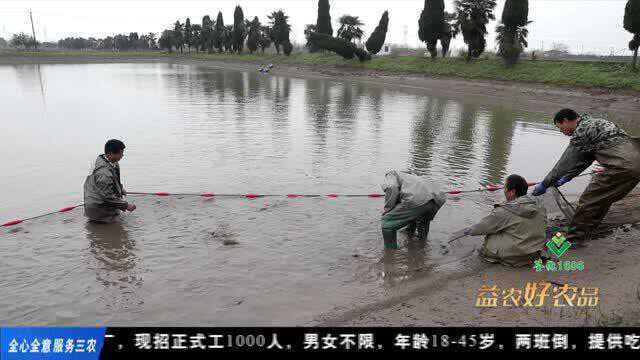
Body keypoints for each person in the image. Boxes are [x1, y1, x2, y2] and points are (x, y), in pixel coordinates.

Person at [532, 109, 640, 243]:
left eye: (560, 127)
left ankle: (572, 239)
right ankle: (591, 227)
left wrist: (545, 183)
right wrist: (568, 177)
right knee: (603, 198)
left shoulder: (581, 132)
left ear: (566, 121)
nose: (561, 131)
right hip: (636, 165)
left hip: (621, 167)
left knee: (587, 201)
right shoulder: (596, 123)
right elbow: (584, 159)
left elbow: (564, 164)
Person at [450, 174, 547, 267]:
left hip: (515, 257)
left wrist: (466, 231)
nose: (504, 191)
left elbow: (482, 227)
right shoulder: (539, 206)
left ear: (512, 192)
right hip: (534, 253)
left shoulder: (505, 210)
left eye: (505, 188)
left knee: (492, 233)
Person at [381, 170, 446, 250]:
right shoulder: (413, 176)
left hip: (417, 198)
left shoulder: (392, 173)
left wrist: (387, 209)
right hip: (437, 199)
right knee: (422, 219)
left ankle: (390, 253)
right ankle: (422, 245)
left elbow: (391, 187)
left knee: (387, 225)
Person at [83, 139, 136, 223]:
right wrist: (126, 205)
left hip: (99, 200)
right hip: (98, 208)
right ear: (110, 154)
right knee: (119, 227)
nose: (122, 155)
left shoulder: (108, 160)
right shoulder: (103, 173)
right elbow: (107, 197)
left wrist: (120, 189)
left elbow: (114, 179)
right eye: (120, 153)